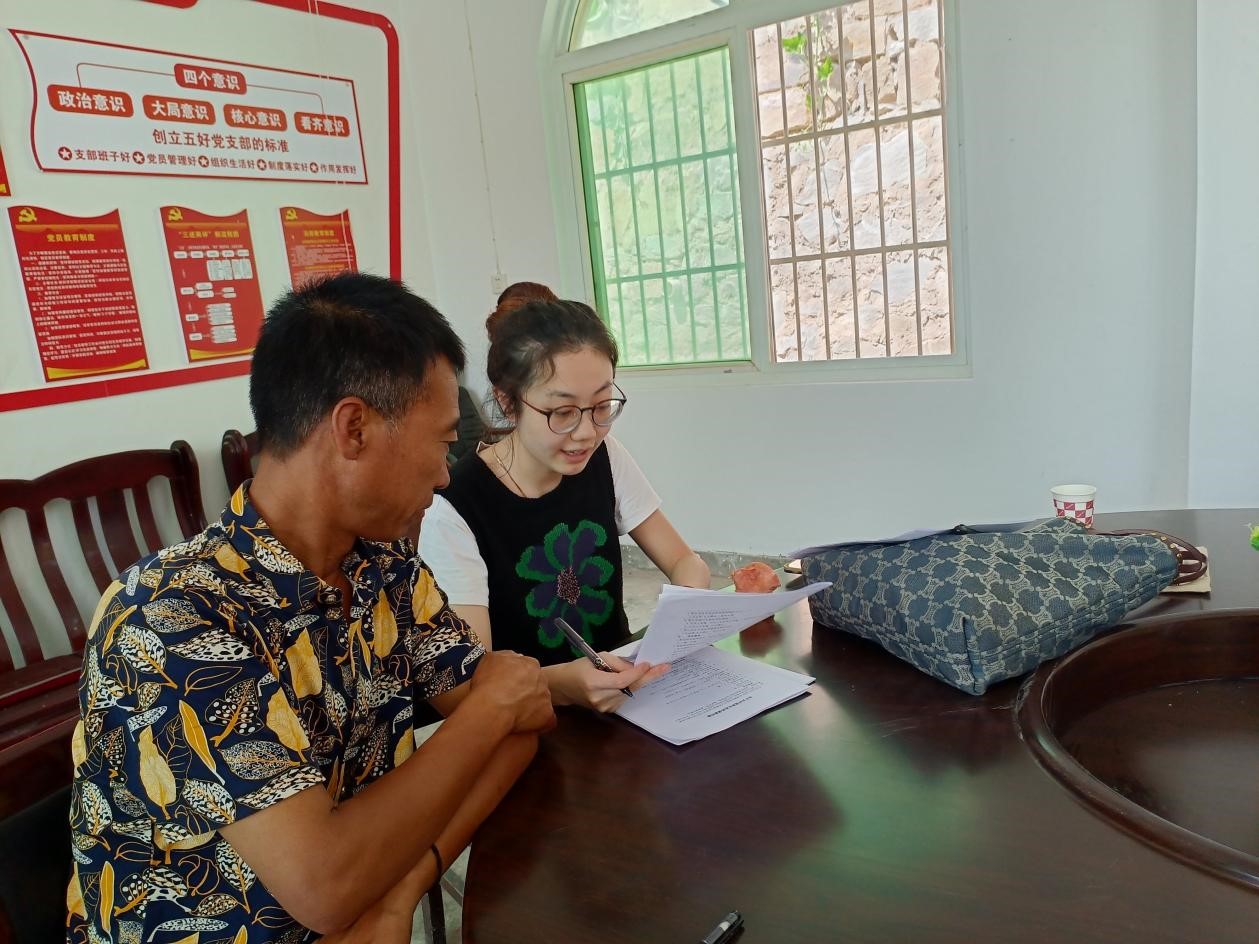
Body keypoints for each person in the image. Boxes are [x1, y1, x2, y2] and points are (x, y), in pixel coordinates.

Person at [65, 272, 554, 944]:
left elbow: (523, 718)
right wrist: (490, 709)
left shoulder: (383, 564)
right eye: (443, 442)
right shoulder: (168, 617)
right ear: (353, 427)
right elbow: (324, 887)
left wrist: (399, 897)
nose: (446, 474)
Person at [419, 284, 711, 713]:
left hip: (627, 700)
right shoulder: (456, 507)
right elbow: (472, 681)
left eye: (602, 406)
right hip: (529, 720)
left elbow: (685, 561)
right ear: (508, 401)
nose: (586, 433)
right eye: (562, 412)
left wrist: (682, 621)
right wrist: (561, 685)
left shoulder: (606, 457)